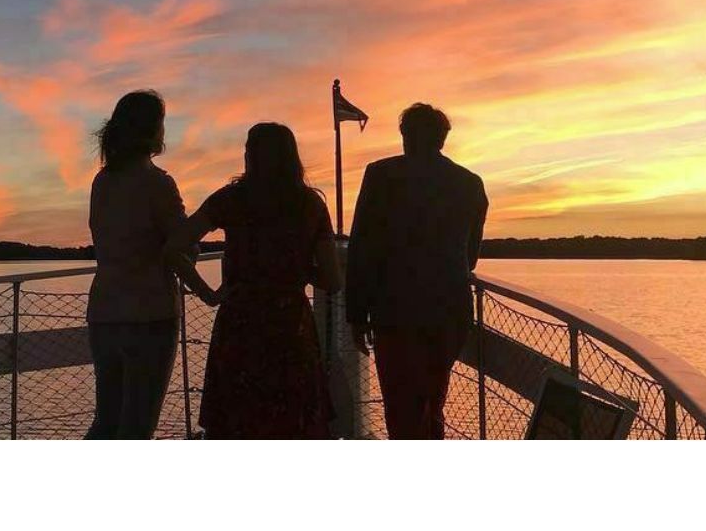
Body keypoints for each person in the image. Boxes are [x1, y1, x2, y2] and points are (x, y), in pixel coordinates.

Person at [170, 123, 341, 439]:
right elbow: (332, 280)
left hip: (240, 324)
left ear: (250, 155)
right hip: (291, 326)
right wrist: (300, 271)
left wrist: (207, 293)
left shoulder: (231, 200)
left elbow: (174, 246)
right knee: (294, 421)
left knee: (238, 420)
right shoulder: (310, 205)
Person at [344, 103, 489, 440]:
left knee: (401, 405)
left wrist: (356, 312)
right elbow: (470, 256)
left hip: (395, 311)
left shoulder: (380, 175)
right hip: (449, 310)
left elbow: (362, 246)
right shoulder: (469, 183)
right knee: (432, 400)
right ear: (442, 138)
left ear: (405, 136)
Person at [85, 90, 218, 439]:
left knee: (106, 421)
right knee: (137, 427)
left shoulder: (102, 181)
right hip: (149, 314)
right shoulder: (157, 183)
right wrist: (207, 292)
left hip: (104, 312)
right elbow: (178, 248)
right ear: (152, 130)